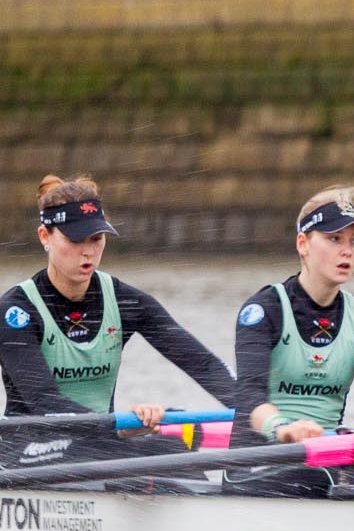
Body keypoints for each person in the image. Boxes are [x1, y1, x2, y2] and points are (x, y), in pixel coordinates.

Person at [0, 174, 236, 470]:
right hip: (24, 451)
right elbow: (45, 402)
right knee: (100, 452)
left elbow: (204, 365)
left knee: (175, 441)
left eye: (96, 239)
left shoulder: (126, 301)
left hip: (98, 442)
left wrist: (261, 414)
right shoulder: (16, 312)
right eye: (75, 240)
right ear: (45, 237)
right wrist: (118, 427)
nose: (88, 251)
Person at [228, 187, 354, 497]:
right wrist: (283, 427)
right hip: (257, 463)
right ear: (302, 244)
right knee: (341, 477)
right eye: (334, 239)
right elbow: (249, 398)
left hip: (325, 457)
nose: (347, 251)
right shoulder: (264, 310)